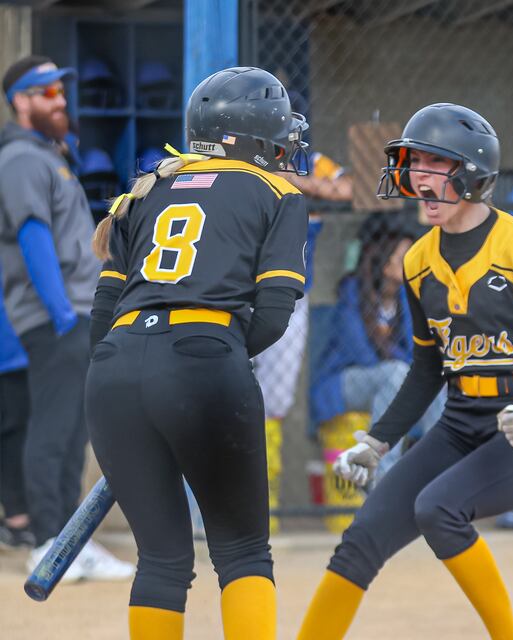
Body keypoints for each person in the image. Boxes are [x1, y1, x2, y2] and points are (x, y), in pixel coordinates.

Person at [296, 102, 513, 640]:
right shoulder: (418, 262)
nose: (418, 179)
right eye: (414, 166)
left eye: (435, 166)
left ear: (474, 175)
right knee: (361, 537)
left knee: (439, 509)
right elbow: (426, 369)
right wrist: (379, 441)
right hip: (460, 425)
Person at [84, 67, 309, 639]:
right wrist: (219, 357)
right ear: (255, 136)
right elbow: (275, 313)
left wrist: (131, 376)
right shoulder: (278, 191)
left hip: (114, 366)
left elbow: (101, 316)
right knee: (242, 552)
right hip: (203, 358)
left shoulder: (148, 187)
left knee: (161, 561)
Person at [0, 55, 133, 579]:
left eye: (61, 90)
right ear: (21, 101)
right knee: (53, 431)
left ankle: (66, 543)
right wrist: (61, 314)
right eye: (47, 92)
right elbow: (33, 237)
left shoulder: (46, 155)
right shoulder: (21, 160)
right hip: (57, 317)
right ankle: (49, 542)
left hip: (73, 315)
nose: (60, 100)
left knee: (72, 430)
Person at [250, 145, 352, 534]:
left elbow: (351, 190)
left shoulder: (313, 160)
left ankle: (266, 508)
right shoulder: (246, 159)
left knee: (276, 401)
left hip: (292, 296)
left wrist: (297, 181)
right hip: (237, 292)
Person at [310, 224, 445, 481]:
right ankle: (383, 480)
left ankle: (439, 471)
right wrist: (402, 366)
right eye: (405, 257)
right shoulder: (352, 291)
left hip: (392, 382)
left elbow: (417, 351)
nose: (413, 262)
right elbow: (360, 353)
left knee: (433, 378)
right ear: (385, 265)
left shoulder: (405, 296)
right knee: (396, 373)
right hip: (344, 383)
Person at [0, 273, 34, 549]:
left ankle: (17, 519)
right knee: (13, 435)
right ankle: (17, 520)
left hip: (14, 352)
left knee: (14, 435)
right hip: (12, 350)